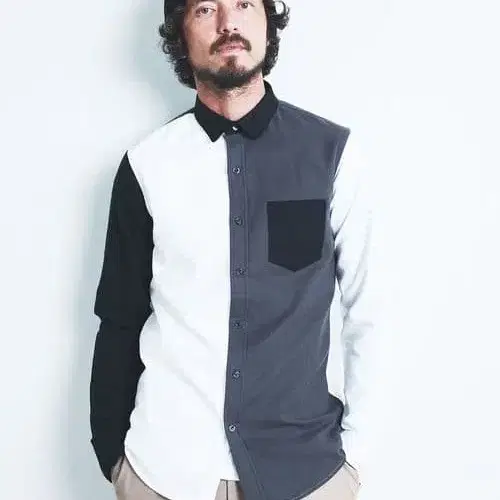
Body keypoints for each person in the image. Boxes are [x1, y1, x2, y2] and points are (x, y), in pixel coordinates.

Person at [89, 1, 375, 499]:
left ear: (267, 21)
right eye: (206, 9)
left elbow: (370, 311)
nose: (229, 23)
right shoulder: (147, 165)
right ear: (181, 34)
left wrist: (356, 457)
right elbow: (119, 319)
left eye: (244, 4)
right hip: (165, 472)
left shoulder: (332, 155)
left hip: (306, 475)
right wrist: (114, 457)